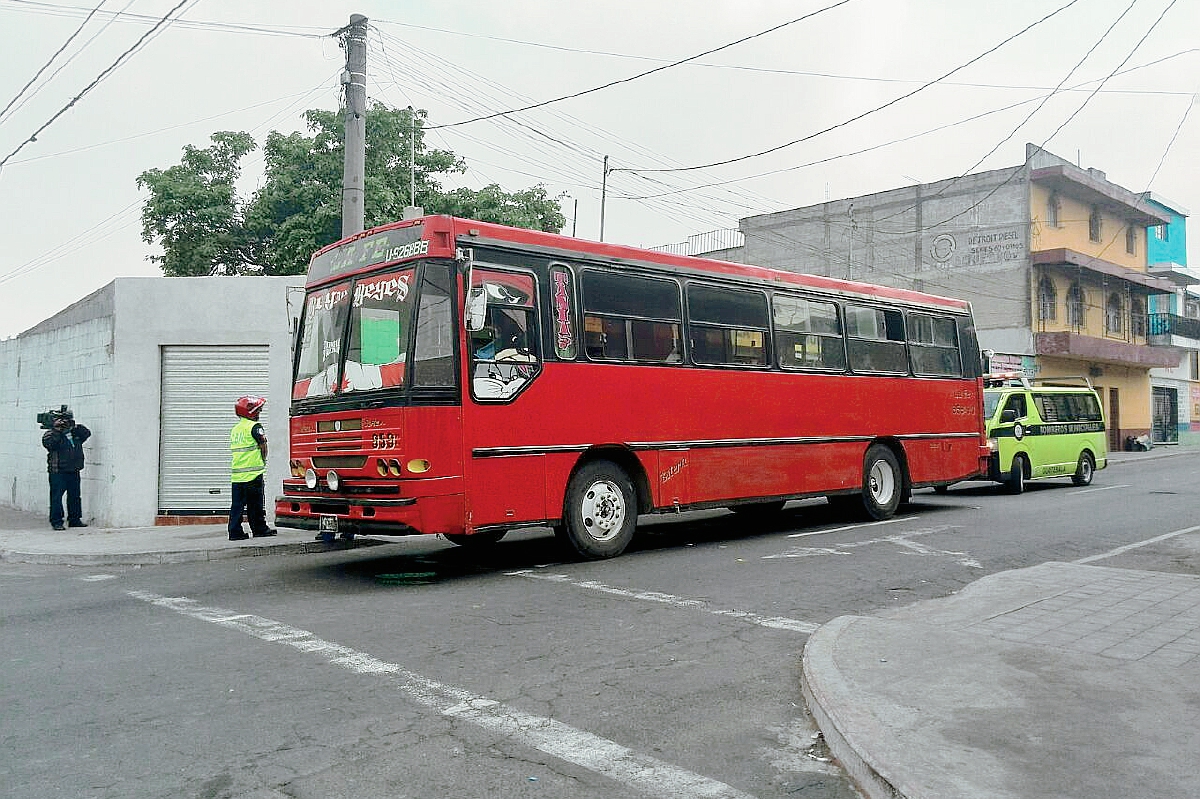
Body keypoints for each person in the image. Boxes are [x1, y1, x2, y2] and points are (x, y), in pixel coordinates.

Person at [228, 395, 277, 541]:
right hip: (253, 473)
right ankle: (259, 529)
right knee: (255, 504)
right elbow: (263, 446)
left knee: (237, 505)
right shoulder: (255, 427)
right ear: (251, 412)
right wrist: (263, 459)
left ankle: (234, 532)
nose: (259, 414)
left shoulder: (235, 430)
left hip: (237, 475)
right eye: (258, 411)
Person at [42, 409, 91, 530]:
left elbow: (86, 433)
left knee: (74, 496)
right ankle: (57, 521)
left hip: (74, 469)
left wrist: (73, 425)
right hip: (58, 471)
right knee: (57, 497)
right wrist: (57, 429)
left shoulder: (75, 434)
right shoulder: (50, 434)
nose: (65, 423)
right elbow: (50, 443)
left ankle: (74, 519)